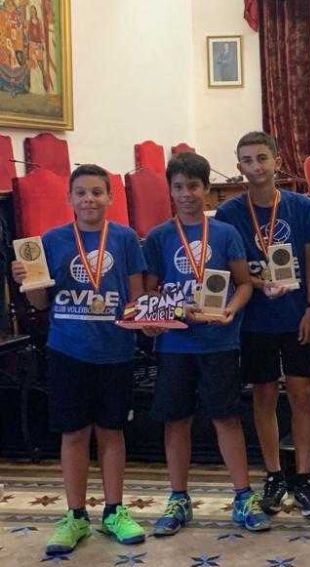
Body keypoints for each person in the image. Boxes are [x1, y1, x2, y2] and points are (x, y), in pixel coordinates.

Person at [13, 165, 146, 555]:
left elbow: (136, 297)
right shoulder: (51, 241)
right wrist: (28, 279)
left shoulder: (124, 239)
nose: (89, 199)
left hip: (115, 351)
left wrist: (146, 317)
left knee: (111, 432)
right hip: (67, 350)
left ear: (110, 197)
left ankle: (114, 511)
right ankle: (74, 516)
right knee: (73, 434)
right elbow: (39, 303)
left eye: (97, 193)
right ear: (69, 199)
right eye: (81, 193)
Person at [143, 152, 269, 535]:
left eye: (193, 186)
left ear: (207, 190)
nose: (186, 194)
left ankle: (244, 495)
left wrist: (230, 309)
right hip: (176, 346)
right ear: (170, 190)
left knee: (226, 417)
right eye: (178, 187)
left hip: (219, 340)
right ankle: (178, 498)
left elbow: (245, 282)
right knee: (175, 421)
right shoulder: (160, 237)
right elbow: (151, 291)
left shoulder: (226, 234)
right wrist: (155, 319)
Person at [214, 131, 310, 518]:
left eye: (262, 158)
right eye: (247, 160)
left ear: (277, 160)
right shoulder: (229, 213)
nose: (255, 167)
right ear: (239, 165)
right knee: (263, 396)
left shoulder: (300, 207)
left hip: (295, 314)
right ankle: (275, 474)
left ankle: (304, 476)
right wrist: (260, 283)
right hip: (255, 319)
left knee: (300, 393)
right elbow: (230, 272)